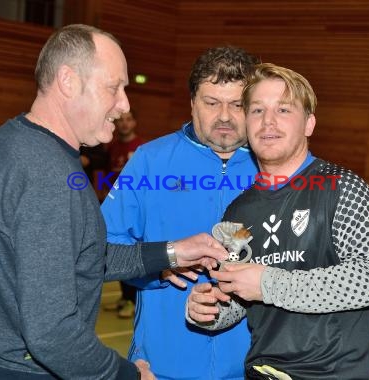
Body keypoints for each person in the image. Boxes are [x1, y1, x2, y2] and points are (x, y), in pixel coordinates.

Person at [0, 24, 229, 380]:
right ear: (68, 81)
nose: (124, 105)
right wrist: (129, 376)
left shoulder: (15, 139)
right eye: (114, 88)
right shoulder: (46, 173)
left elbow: (78, 255)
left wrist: (170, 253)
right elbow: (52, 334)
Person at [186, 63, 369, 379]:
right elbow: (241, 294)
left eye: (283, 110)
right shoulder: (238, 213)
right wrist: (211, 310)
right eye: (257, 110)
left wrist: (269, 283)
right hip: (265, 372)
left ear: (309, 123)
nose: (268, 121)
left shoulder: (342, 187)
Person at [101, 46, 259, 379]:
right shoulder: (150, 161)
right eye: (211, 103)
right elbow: (100, 250)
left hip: (255, 367)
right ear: (192, 103)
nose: (225, 116)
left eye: (237, 104)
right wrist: (155, 266)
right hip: (163, 366)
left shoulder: (275, 169)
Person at [105, 110, 145, 318]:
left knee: (131, 251)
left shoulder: (140, 149)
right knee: (117, 249)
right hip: (116, 206)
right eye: (120, 120)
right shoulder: (113, 147)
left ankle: (133, 300)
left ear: (135, 122)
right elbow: (109, 176)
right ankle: (124, 297)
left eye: (129, 119)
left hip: (134, 208)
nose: (124, 124)